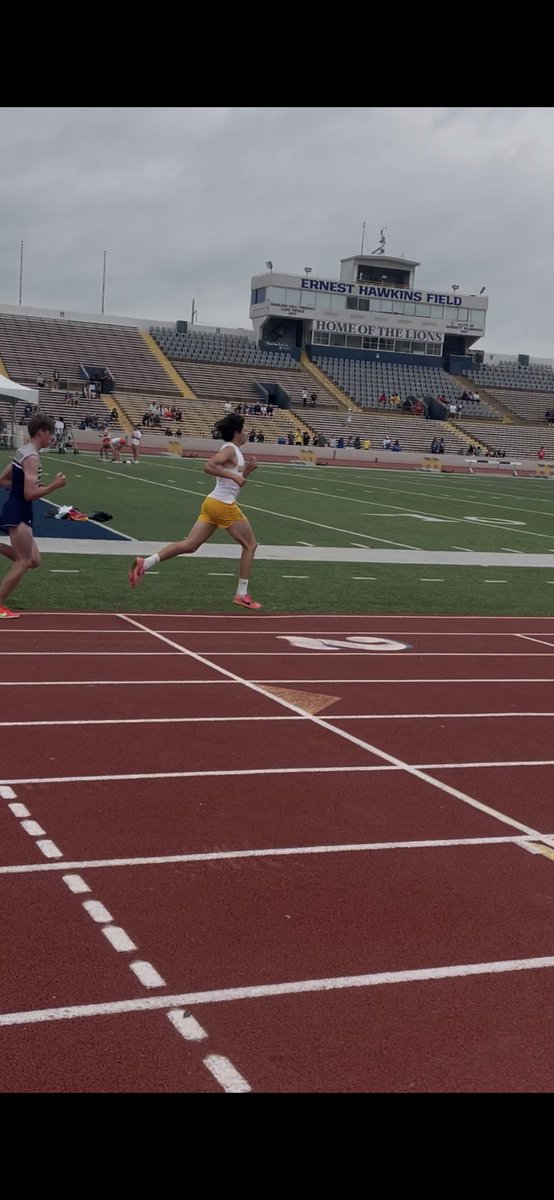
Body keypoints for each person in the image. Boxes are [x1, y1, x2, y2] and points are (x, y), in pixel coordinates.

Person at [128, 412, 261, 610]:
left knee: (190, 545)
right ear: (236, 433)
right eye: (244, 430)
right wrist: (234, 477)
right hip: (222, 505)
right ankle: (241, 594)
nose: (247, 433)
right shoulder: (230, 449)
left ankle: (145, 563)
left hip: (213, 503)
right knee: (250, 545)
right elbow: (208, 466)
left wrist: (245, 473)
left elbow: (232, 485)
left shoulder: (235, 452)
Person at [0, 414, 66, 618]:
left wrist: (18, 487)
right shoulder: (32, 457)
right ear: (41, 432)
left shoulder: (23, 451)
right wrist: (55, 485)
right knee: (23, 562)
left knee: (33, 560)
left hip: (16, 508)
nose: (52, 438)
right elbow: (30, 494)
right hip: (19, 510)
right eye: (51, 434)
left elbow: (3, 480)